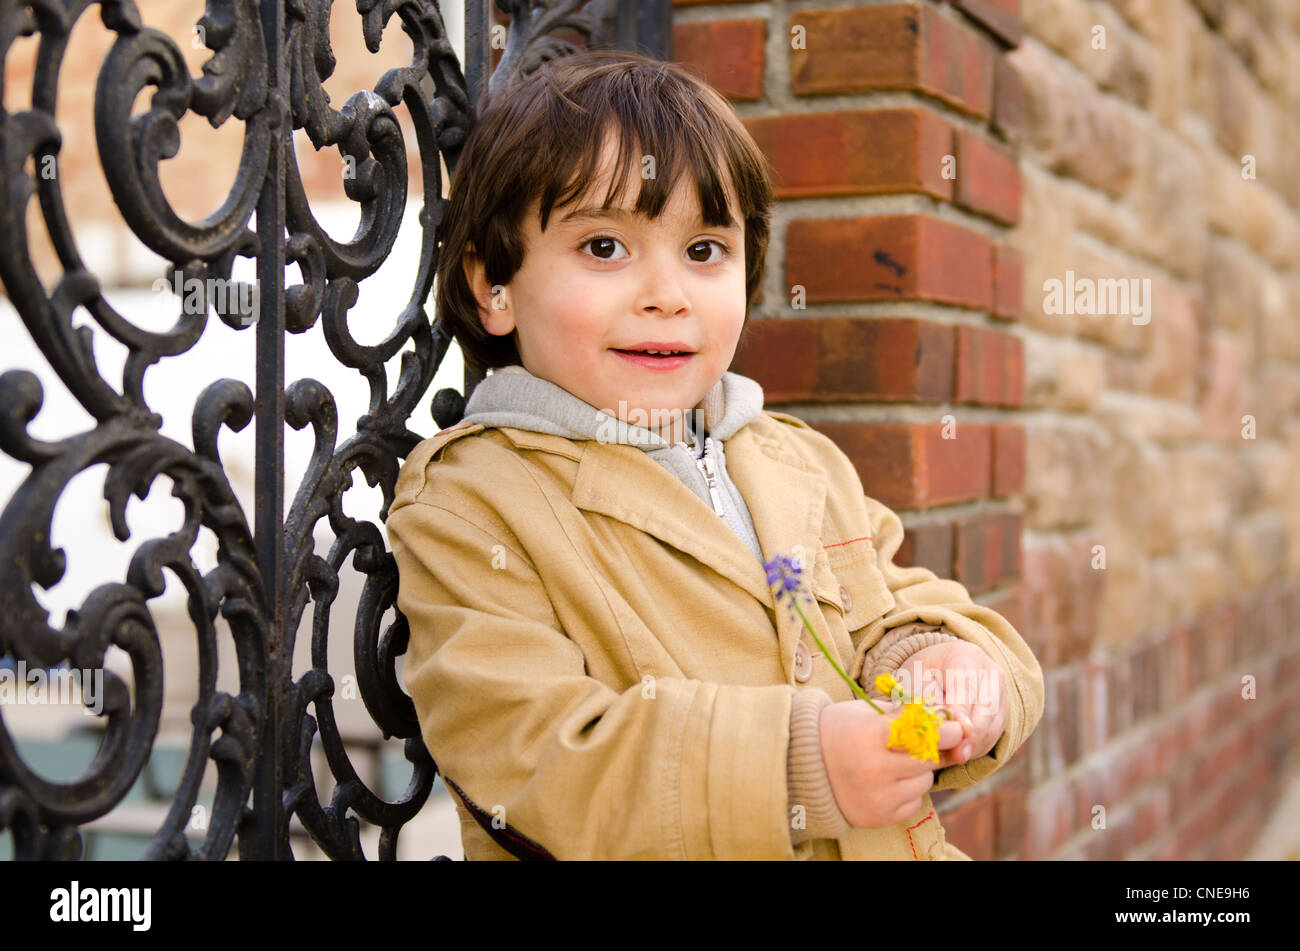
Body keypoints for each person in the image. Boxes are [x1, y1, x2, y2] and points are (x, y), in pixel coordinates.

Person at [385, 49, 1044, 860]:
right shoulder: (474, 502)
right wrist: (799, 772)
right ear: (495, 285)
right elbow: (532, 758)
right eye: (604, 247)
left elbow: (890, 612)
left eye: (703, 251)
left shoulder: (795, 461)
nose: (668, 294)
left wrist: (943, 666)